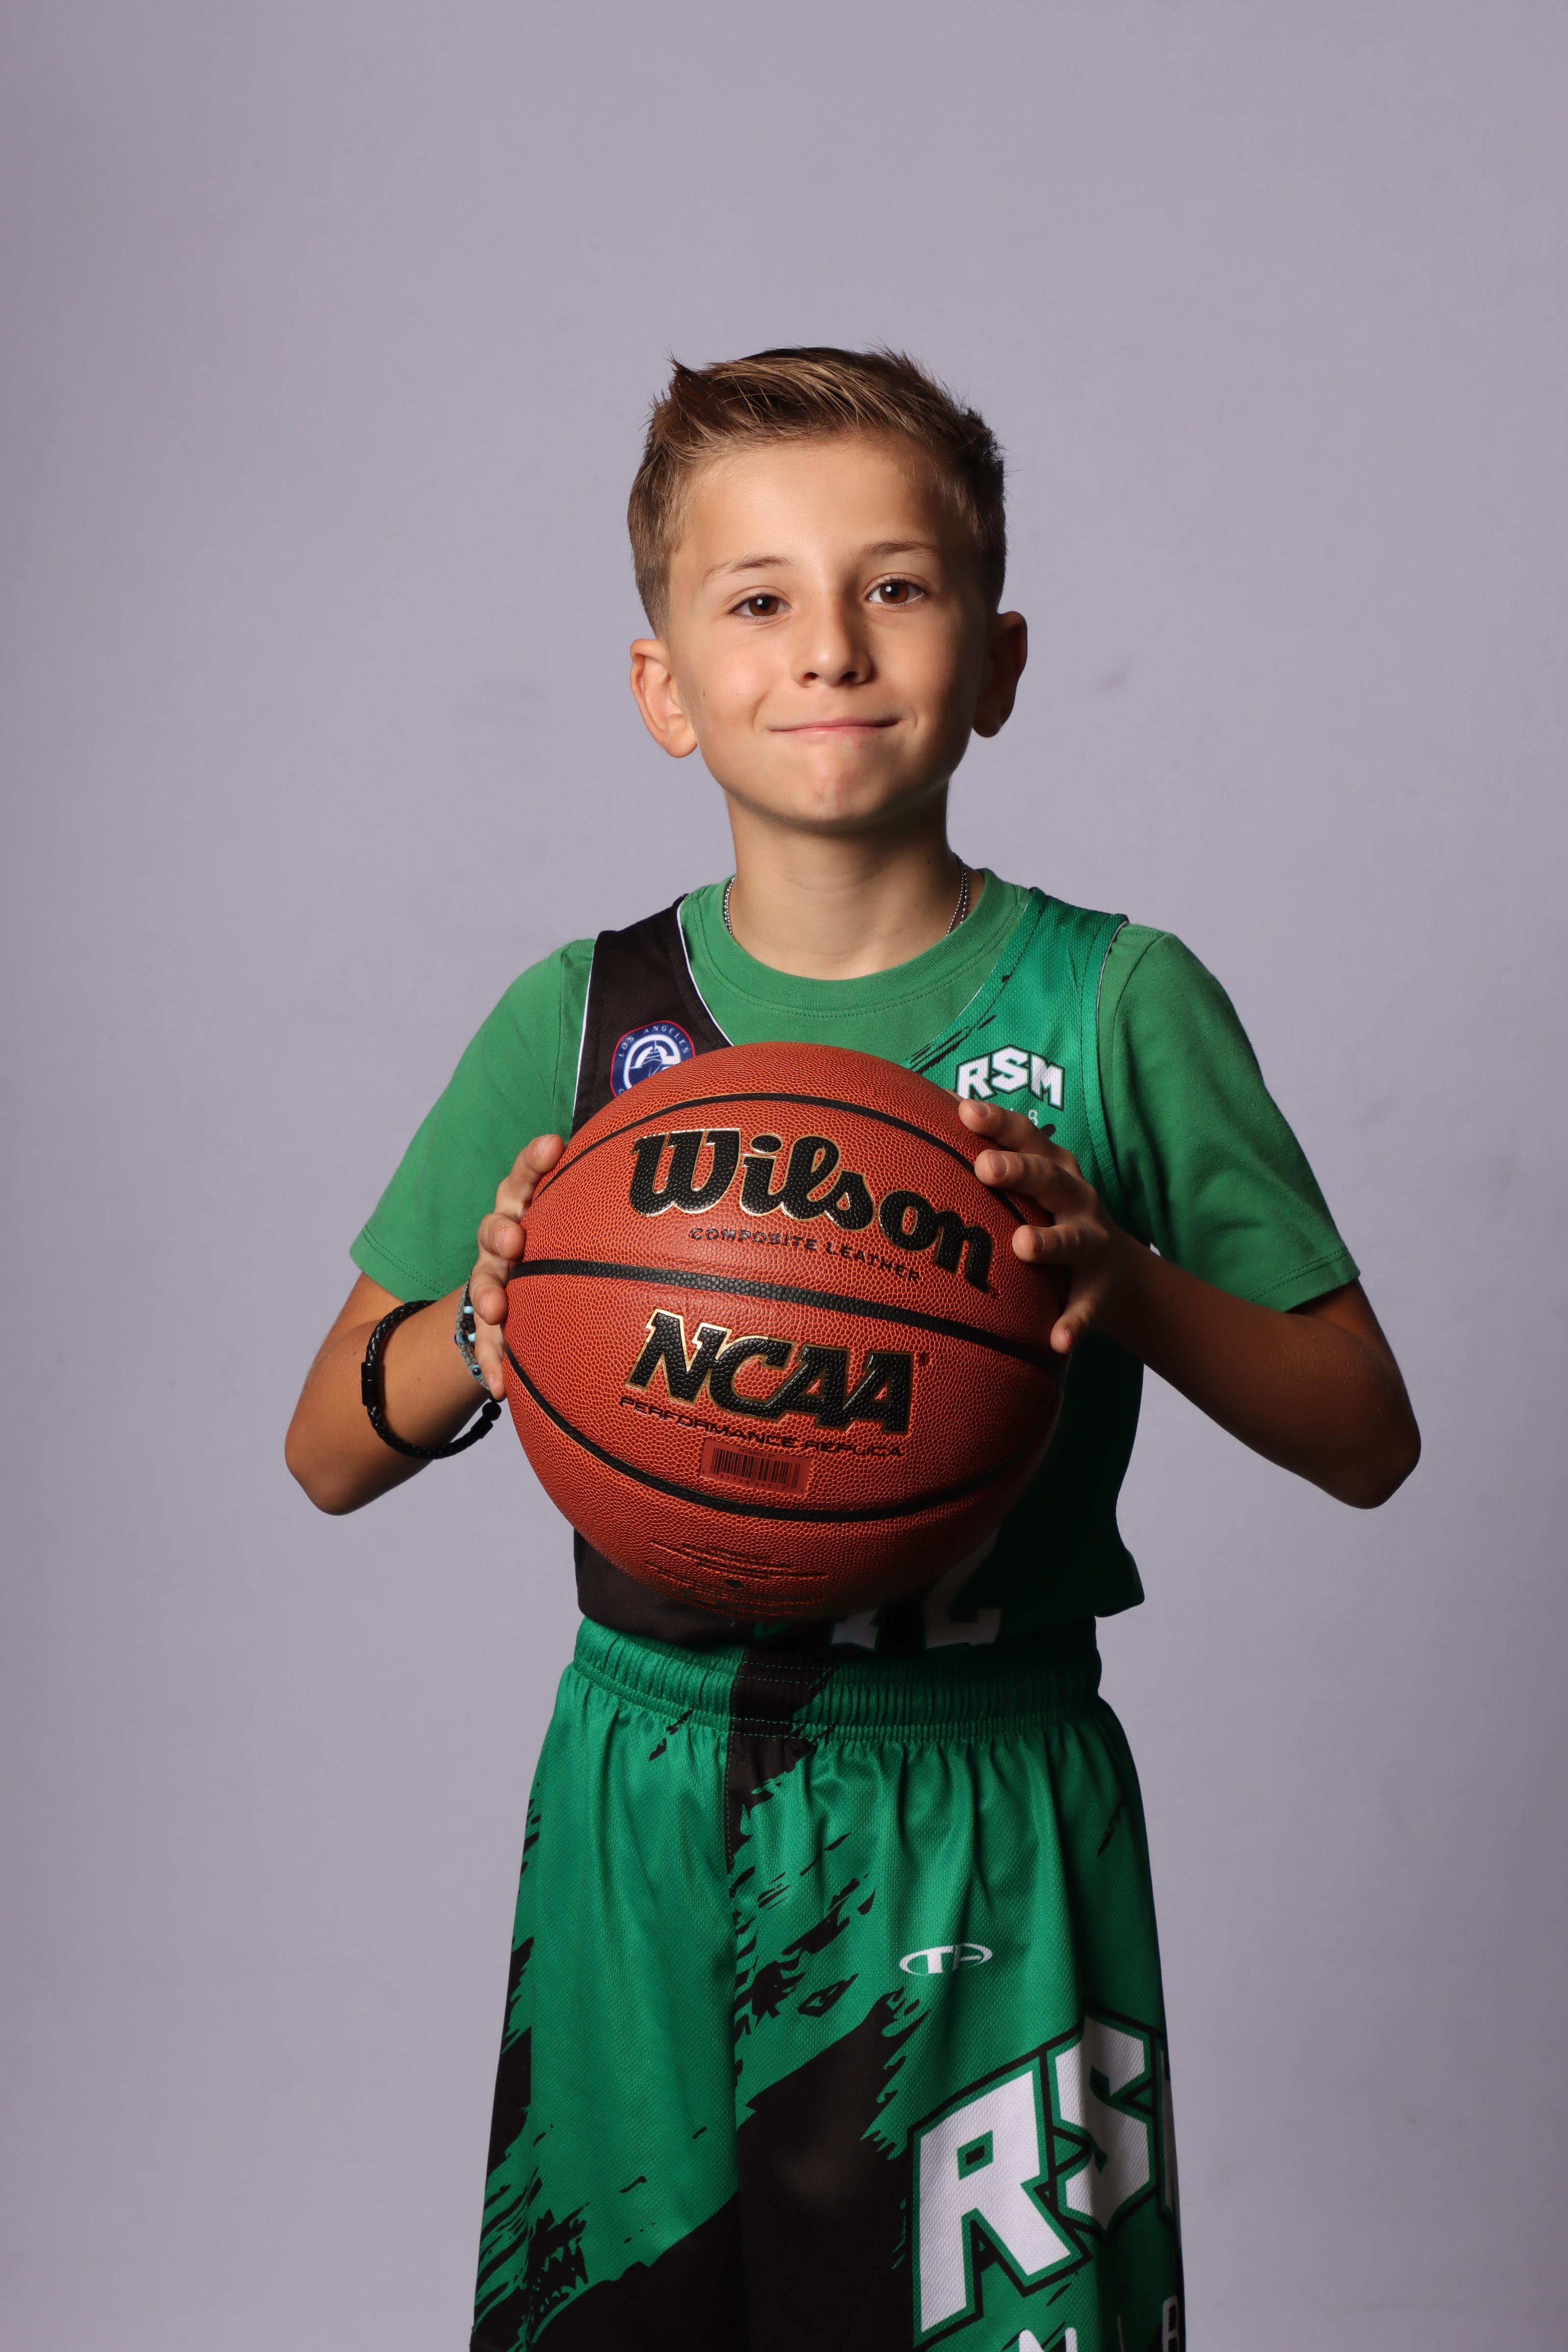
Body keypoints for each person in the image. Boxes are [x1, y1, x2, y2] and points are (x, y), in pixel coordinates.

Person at [286, 347, 1420, 2352]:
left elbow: (1364, 1434)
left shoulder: (1115, 1003)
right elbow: (327, 1448)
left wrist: (1121, 1283)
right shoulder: (579, 1019)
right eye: (758, 599)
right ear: (664, 687)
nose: (829, 644)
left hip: (977, 1780)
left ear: (996, 659)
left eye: (895, 585)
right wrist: (491, 1317)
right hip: (643, 1782)